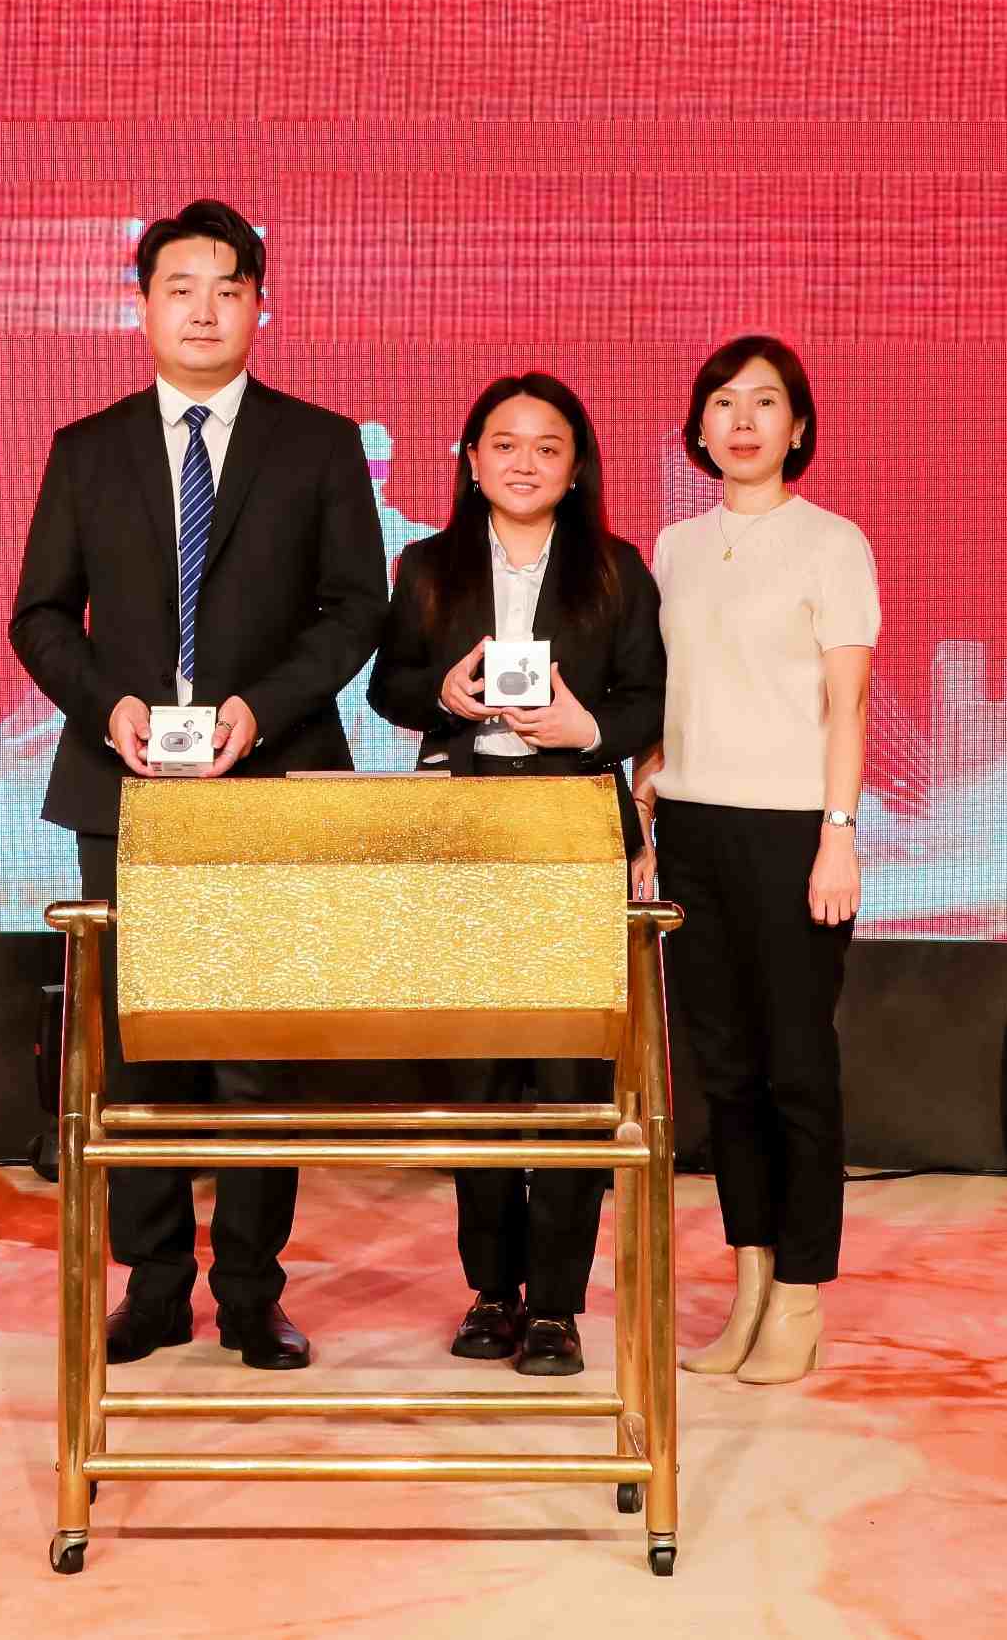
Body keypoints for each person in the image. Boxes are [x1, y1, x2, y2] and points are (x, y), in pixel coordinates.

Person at [10, 199, 388, 1371]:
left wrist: (256, 709)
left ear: (260, 306)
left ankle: (251, 1292)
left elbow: (354, 609)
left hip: (269, 779)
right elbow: (38, 615)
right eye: (179, 288)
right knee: (139, 1048)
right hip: (123, 786)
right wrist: (105, 705)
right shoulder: (86, 449)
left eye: (228, 288)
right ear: (140, 307)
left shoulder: (316, 444)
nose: (204, 310)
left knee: (257, 1050)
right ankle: (155, 1284)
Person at [368, 373, 663, 1378]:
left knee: (571, 1077)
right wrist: (444, 694)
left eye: (547, 446)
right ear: (470, 459)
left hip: (572, 830)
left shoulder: (617, 570)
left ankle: (556, 1305)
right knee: (479, 1073)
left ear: (575, 468)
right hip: (459, 830)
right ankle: (492, 1290)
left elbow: (651, 699)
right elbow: (389, 685)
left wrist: (589, 728)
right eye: (503, 443)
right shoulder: (426, 566)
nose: (524, 462)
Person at [633, 334, 876, 1386]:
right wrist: (648, 802)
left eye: (764, 401)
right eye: (723, 401)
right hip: (692, 828)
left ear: (798, 426)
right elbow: (668, 692)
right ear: (697, 427)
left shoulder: (832, 543)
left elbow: (847, 704)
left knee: (796, 1070)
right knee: (724, 1073)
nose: (741, 420)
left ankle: (801, 1296)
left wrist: (837, 835)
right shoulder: (674, 546)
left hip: (791, 832)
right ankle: (747, 1283)